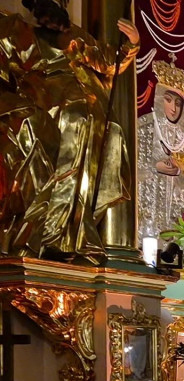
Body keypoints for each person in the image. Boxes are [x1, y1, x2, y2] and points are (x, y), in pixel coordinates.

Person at [0, 0, 139, 261]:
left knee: (103, 135)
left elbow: (108, 62)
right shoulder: (12, 30)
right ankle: (48, 233)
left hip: (85, 105)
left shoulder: (73, 35)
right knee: (63, 130)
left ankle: (73, 233)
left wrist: (131, 44)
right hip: (44, 100)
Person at [137, 57, 184, 246]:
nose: (174, 108)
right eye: (169, 100)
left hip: (173, 212)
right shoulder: (144, 126)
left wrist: (180, 172)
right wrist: (154, 167)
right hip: (147, 207)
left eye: (178, 103)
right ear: (160, 99)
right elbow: (130, 169)